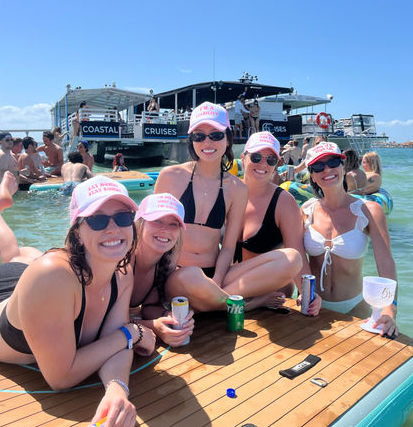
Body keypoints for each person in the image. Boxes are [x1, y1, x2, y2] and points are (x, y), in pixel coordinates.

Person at [0, 162, 156, 427]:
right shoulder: (52, 275)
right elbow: (61, 377)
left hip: (25, 286)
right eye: (97, 220)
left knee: (17, 254)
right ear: (77, 230)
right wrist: (132, 333)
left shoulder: (122, 272)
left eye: (123, 218)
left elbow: (115, 341)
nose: (113, 229)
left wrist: (117, 388)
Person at [155, 102, 300, 312]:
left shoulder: (236, 189)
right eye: (199, 135)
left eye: (215, 135)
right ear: (191, 140)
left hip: (216, 274)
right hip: (177, 274)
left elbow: (229, 247)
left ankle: (213, 300)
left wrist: (216, 281)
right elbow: (149, 234)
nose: (207, 142)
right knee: (191, 275)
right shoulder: (170, 177)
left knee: (292, 259)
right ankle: (245, 305)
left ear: (227, 138)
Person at [301, 142, 398, 337]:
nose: (327, 169)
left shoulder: (369, 211)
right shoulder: (306, 211)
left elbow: (386, 264)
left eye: (333, 162)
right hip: (313, 308)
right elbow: (297, 260)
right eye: (318, 166)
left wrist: (390, 310)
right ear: (311, 174)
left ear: (343, 166)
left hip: (354, 309)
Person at [235, 132, 322, 315]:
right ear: (243, 158)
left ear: (277, 164)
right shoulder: (229, 193)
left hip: (271, 296)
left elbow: (297, 254)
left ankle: (217, 299)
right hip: (236, 292)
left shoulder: (283, 202)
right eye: (256, 157)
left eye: (270, 160)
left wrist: (308, 295)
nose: (263, 164)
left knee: (291, 257)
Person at [130, 193, 195, 346]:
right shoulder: (123, 260)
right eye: (157, 220)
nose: (165, 229)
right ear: (140, 224)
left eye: (173, 224)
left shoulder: (166, 260)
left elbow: (149, 307)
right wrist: (153, 326)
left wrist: (168, 317)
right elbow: (104, 319)